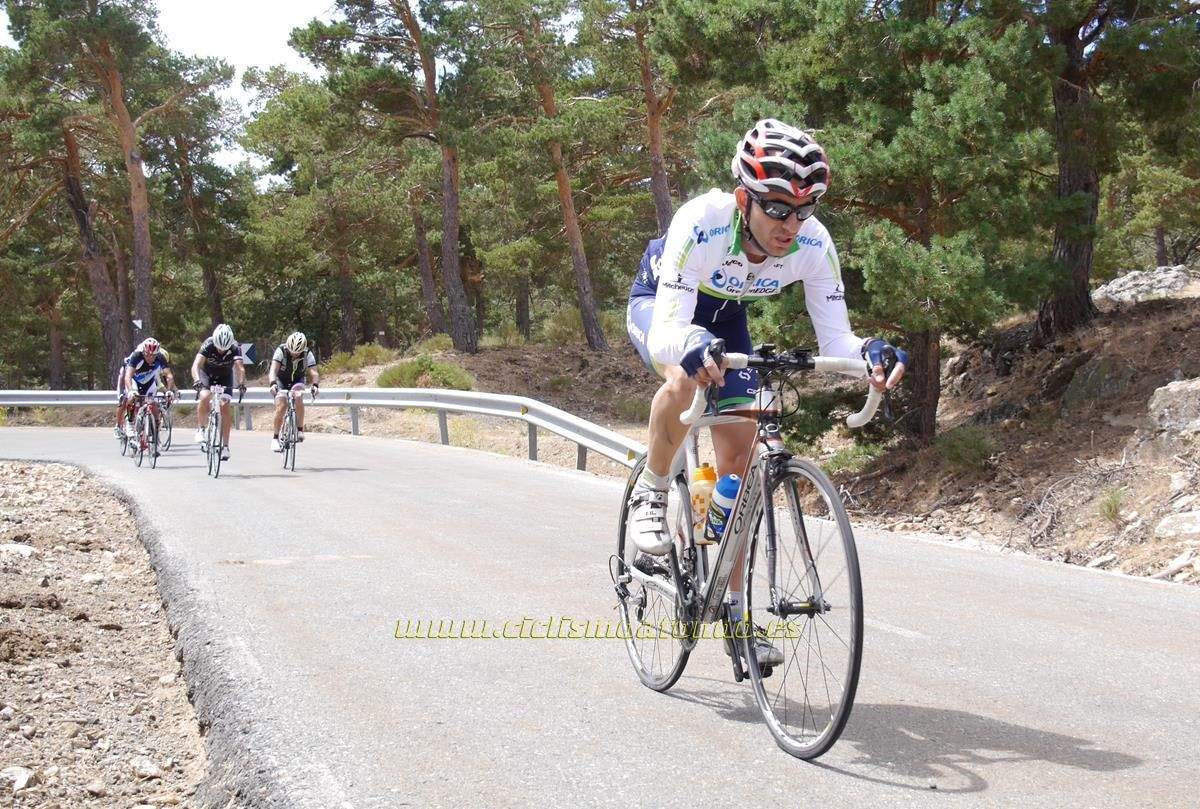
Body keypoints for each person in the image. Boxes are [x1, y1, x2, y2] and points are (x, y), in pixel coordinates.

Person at [625, 118, 908, 663]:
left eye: (805, 209)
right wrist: (687, 345)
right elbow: (667, 330)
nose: (791, 224)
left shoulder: (814, 244)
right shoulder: (701, 222)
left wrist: (872, 351)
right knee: (683, 377)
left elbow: (838, 339)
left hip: (728, 320)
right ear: (743, 198)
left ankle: (733, 619)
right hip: (664, 305)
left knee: (742, 462)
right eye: (777, 207)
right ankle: (654, 491)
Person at [190, 323, 246, 461]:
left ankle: (225, 447)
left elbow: (240, 368)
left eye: (224, 349)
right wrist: (197, 380)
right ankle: (201, 429)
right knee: (204, 396)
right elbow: (196, 365)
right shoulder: (208, 344)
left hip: (225, 377)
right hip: (206, 375)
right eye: (219, 348)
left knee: (225, 408)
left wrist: (241, 383)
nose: (221, 351)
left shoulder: (234, 347)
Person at [114, 338, 176, 440]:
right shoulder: (137, 356)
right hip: (133, 380)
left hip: (148, 381)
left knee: (153, 404)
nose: (150, 357)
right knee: (128, 399)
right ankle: (129, 423)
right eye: (148, 354)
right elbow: (128, 376)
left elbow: (169, 376)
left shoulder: (160, 357)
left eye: (153, 355)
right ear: (143, 351)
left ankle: (155, 436)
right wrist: (131, 391)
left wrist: (169, 390)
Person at [268, 331, 320, 452]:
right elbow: (273, 370)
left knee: (298, 399)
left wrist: (315, 385)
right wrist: (272, 384)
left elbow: (314, 372)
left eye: (297, 352)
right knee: (282, 406)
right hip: (281, 380)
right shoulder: (281, 350)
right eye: (292, 352)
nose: (294, 354)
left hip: (298, 379)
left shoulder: (307, 353)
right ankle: (275, 438)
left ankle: (300, 429)